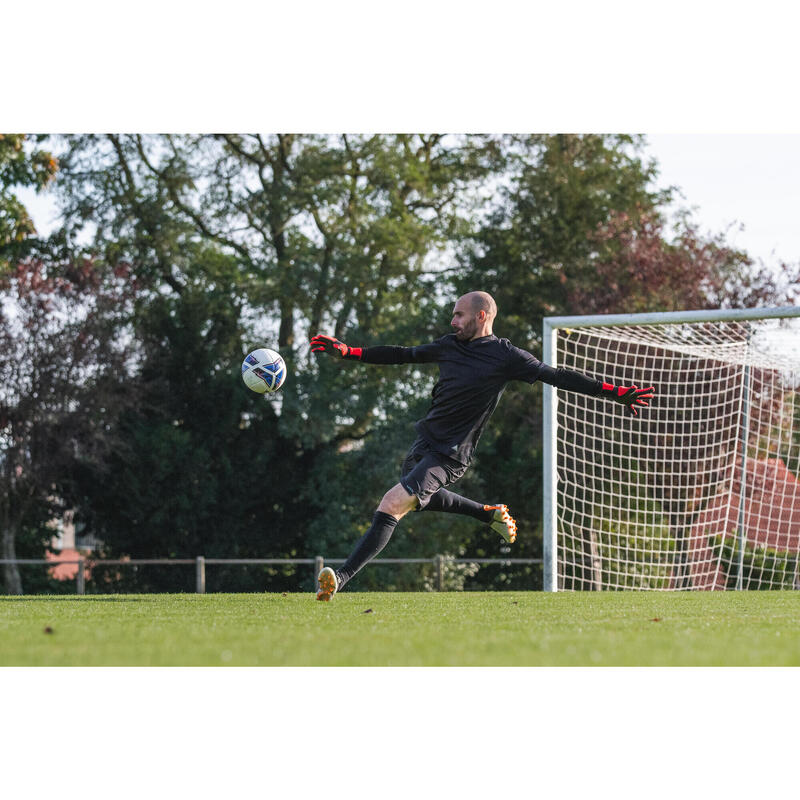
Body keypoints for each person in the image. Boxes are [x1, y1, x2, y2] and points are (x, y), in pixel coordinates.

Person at [310, 291, 654, 600]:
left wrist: (615, 392)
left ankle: (340, 578)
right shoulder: (449, 345)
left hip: (450, 453)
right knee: (417, 502)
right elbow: (402, 355)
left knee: (392, 503)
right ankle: (487, 513)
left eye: (459, 314)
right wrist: (350, 352)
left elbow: (557, 375)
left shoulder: (506, 356)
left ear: (481, 316)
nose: (452, 320)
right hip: (425, 441)